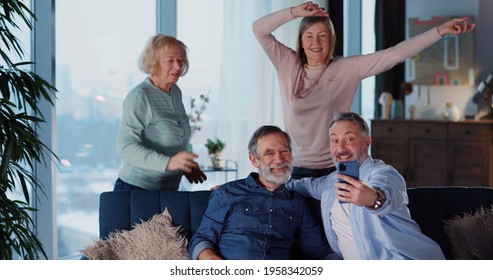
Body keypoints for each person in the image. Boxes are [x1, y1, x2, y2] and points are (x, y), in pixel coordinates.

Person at [252, 1, 476, 179]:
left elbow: (396, 54)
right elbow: (259, 29)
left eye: (322, 36)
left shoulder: (347, 68)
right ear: (301, 40)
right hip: (297, 170)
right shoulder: (287, 64)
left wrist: (439, 31)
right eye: (309, 36)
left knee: (340, 234)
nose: (316, 42)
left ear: (331, 40)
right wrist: (294, 12)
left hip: (337, 167)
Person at [285, 112, 445, 260]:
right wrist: (267, 178)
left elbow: (386, 195)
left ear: (367, 142)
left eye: (349, 139)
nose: (340, 148)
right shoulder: (330, 182)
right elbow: (298, 185)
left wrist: (372, 199)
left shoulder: (384, 174)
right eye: (334, 141)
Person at [189, 125, 340, 260]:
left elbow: (318, 250)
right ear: (254, 160)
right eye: (269, 153)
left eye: (284, 151)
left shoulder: (297, 203)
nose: (279, 159)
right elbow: (201, 240)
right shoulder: (226, 194)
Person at [114, 34, 207, 191]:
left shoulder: (175, 92)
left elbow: (174, 139)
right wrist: (169, 163)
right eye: (170, 61)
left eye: (180, 60)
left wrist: (184, 166)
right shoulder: (140, 96)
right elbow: (125, 146)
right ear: (153, 63)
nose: (178, 66)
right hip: (137, 188)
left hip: (168, 188)